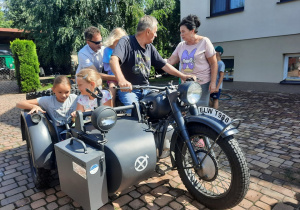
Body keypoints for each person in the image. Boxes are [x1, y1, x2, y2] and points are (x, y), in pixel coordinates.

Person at [109, 15, 196, 109]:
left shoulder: (150, 48)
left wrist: (183, 76)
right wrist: (122, 80)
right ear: (148, 31)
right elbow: (113, 60)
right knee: (134, 113)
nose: (156, 35)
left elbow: (164, 65)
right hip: (129, 90)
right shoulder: (126, 41)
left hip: (146, 89)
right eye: (155, 32)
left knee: (164, 106)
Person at [167, 14, 218, 107]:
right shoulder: (181, 45)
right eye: (180, 32)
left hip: (202, 84)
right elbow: (170, 61)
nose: (181, 34)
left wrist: (213, 82)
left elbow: (214, 63)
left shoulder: (205, 42)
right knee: (185, 111)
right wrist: (157, 60)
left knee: (200, 111)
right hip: (185, 85)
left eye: (183, 32)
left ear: (192, 31)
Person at [16, 75, 78, 140]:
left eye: (67, 92)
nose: (63, 95)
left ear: (70, 89)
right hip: (59, 131)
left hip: (74, 126)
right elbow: (19, 104)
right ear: (53, 90)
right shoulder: (48, 101)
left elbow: (87, 102)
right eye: (60, 92)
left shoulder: (74, 98)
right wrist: (34, 106)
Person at [103, 27, 127, 107]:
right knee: (112, 87)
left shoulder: (123, 50)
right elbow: (107, 65)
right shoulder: (107, 50)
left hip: (123, 74)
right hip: (112, 75)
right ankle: (111, 106)